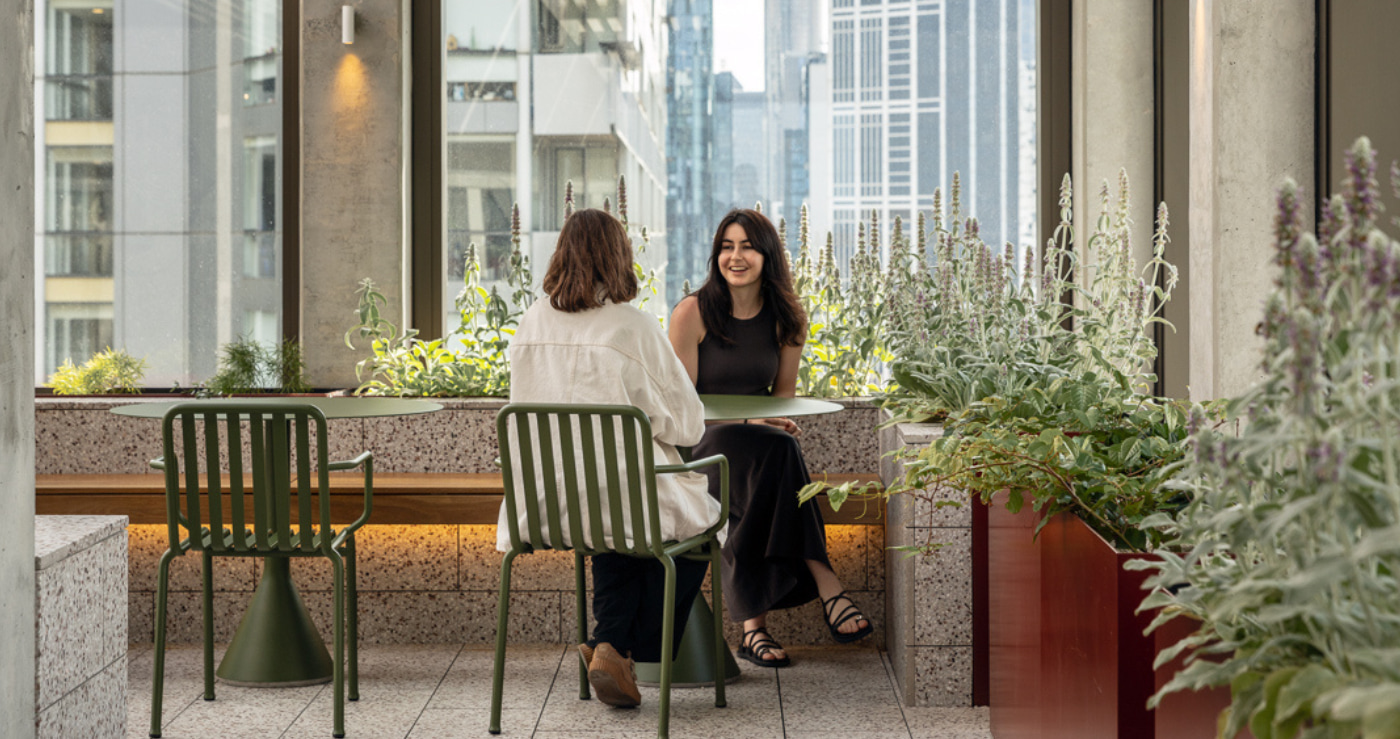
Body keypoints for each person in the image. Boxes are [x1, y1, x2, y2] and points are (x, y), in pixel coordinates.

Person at [499, 208, 722, 706]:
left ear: (561, 254)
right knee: (702, 522)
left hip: (545, 505)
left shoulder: (530, 325)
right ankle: (630, 651)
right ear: (619, 257)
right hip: (624, 499)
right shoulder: (632, 328)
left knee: (612, 529)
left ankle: (610, 644)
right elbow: (686, 424)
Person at [667, 208, 873, 668]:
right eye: (726, 246)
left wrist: (766, 424)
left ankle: (752, 630)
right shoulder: (692, 313)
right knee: (779, 453)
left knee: (776, 456)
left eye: (747, 246)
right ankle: (827, 585)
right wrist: (754, 427)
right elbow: (684, 411)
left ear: (767, 255)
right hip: (701, 447)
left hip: (757, 449)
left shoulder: (787, 319)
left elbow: (780, 400)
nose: (735, 257)